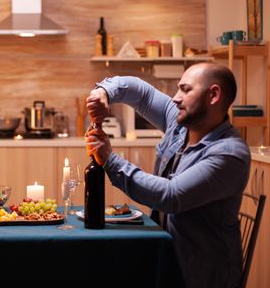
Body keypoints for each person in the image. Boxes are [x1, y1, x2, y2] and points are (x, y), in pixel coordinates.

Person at [85, 62, 250, 288]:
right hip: (166, 259)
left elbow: (171, 196)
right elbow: (141, 94)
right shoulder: (182, 123)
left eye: (185, 89)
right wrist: (103, 92)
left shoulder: (229, 154)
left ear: (213, 95)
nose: (175, 97)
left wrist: (110, 160)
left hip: (201, 276)